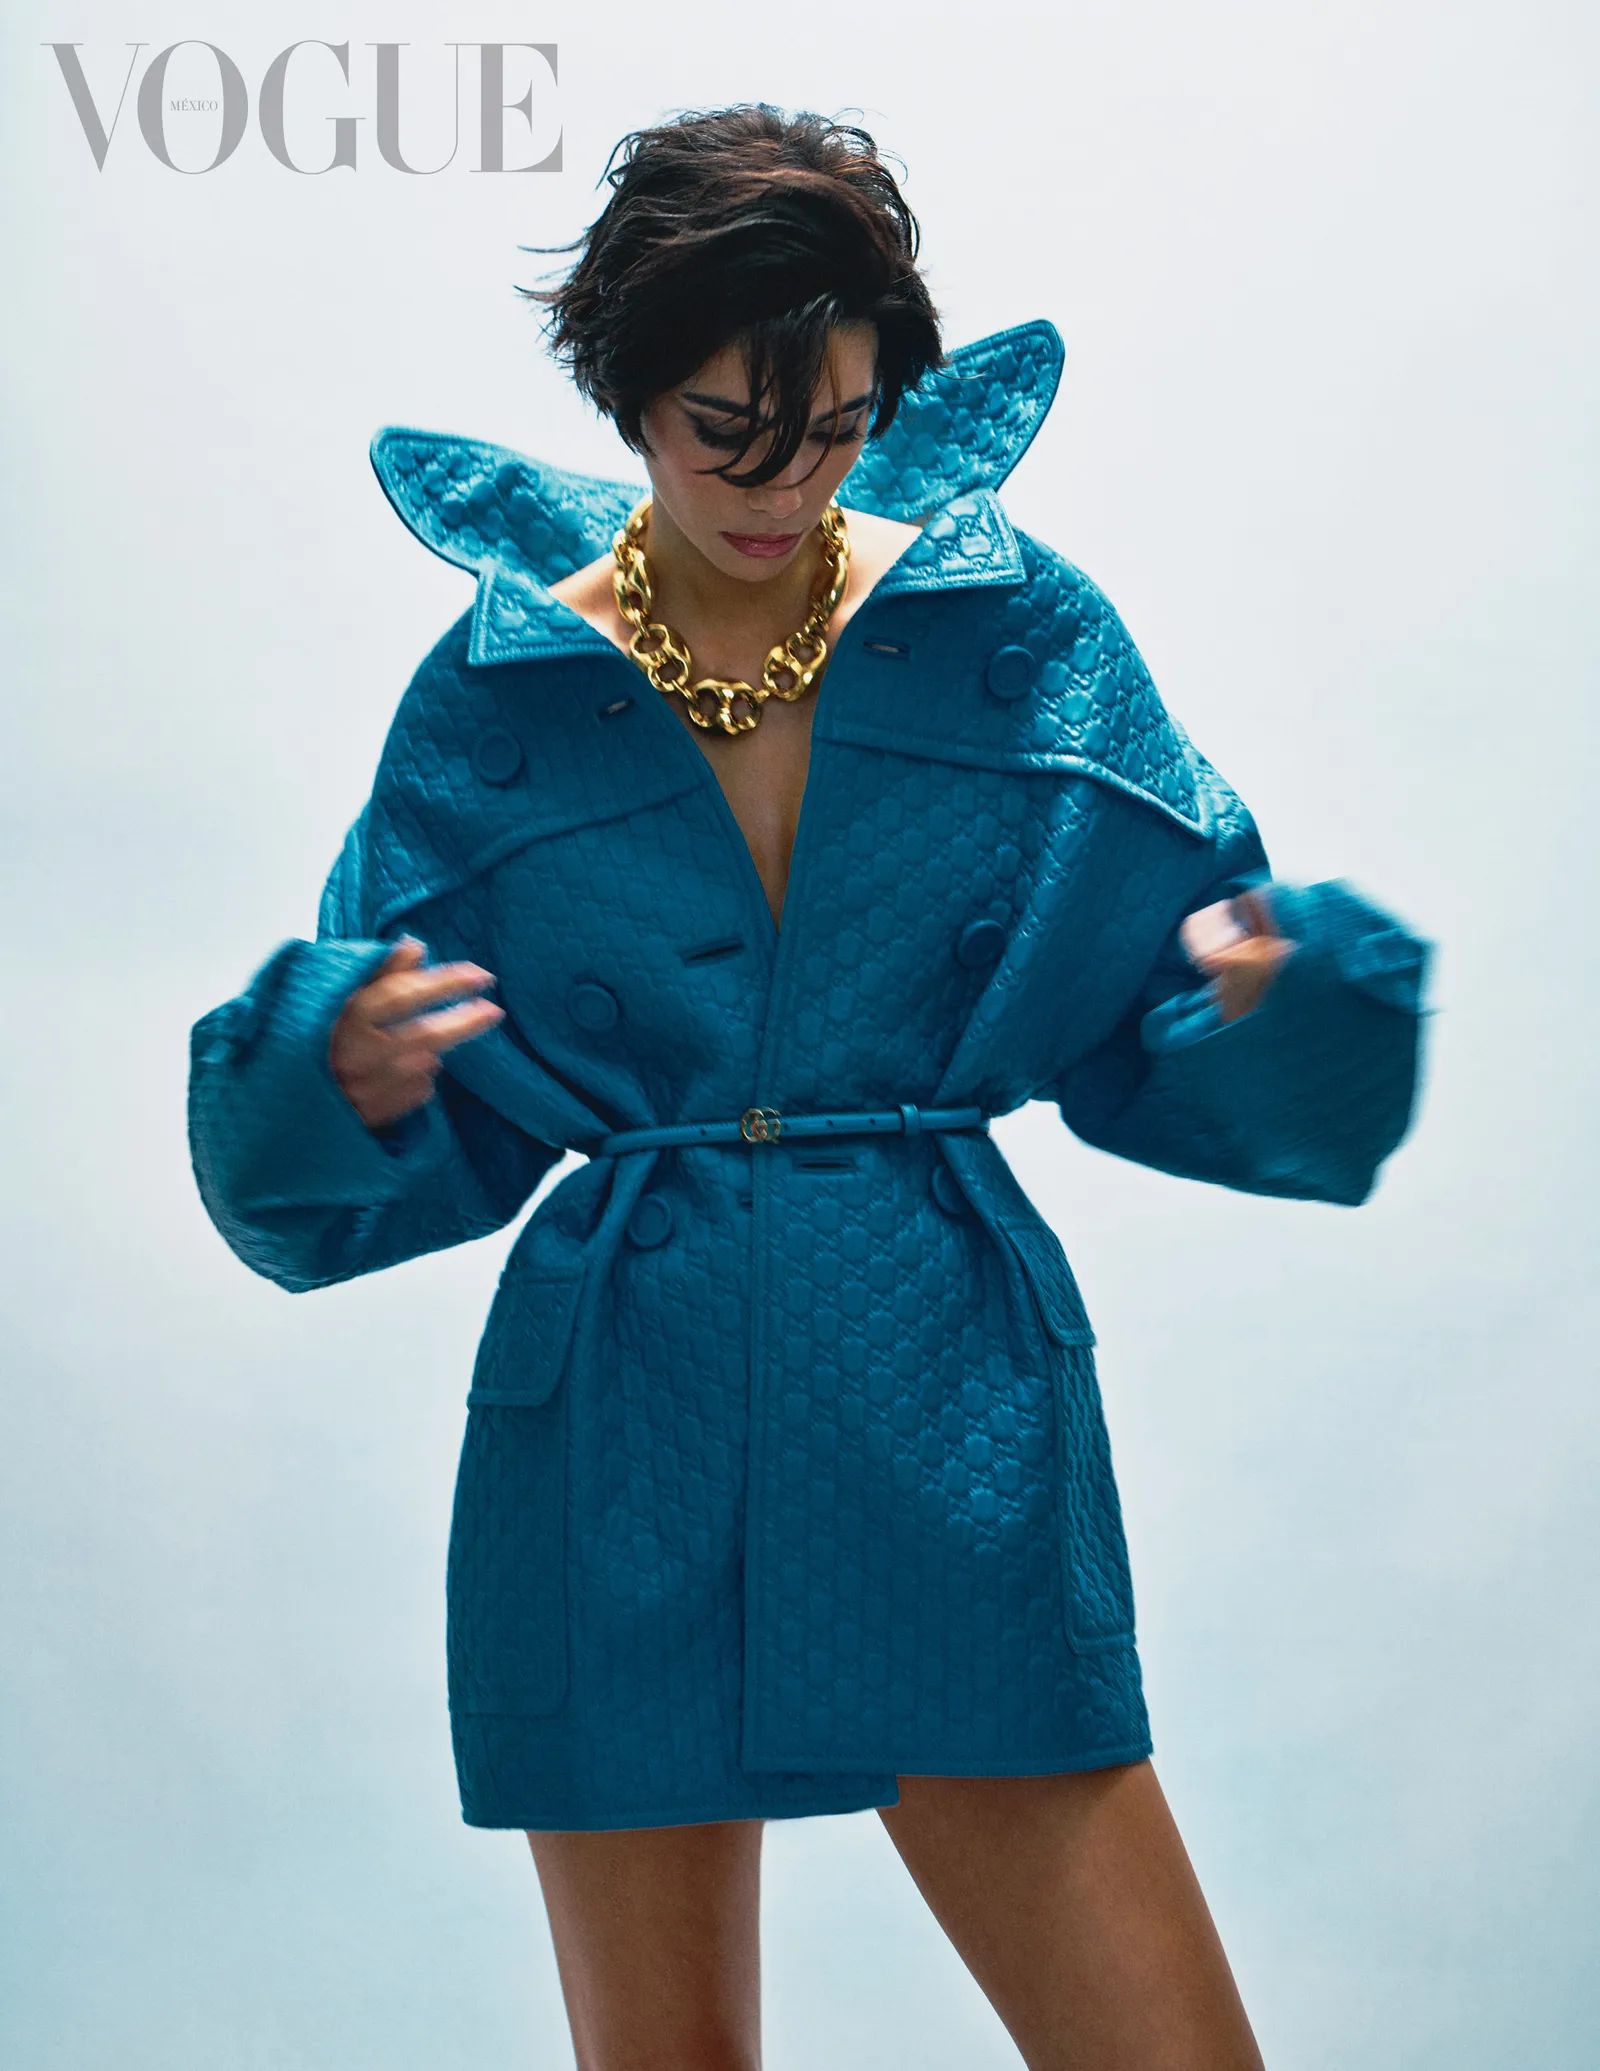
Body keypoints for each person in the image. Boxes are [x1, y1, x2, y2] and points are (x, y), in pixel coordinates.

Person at [188, 104, 1430, 2071]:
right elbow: (367, 1144)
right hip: (623, 1421)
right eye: (724, 432)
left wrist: (1285, 999)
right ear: (626, 394)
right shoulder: (493, 696)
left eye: (835, 427)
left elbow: (1173, 1019)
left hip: (940, 1394)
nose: (781, 484)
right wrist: (323, 1073)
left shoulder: (1019, 634)